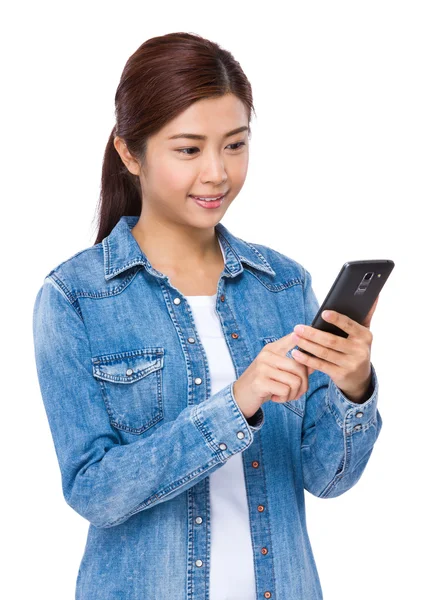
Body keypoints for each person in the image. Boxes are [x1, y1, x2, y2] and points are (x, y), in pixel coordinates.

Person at [32, 32, 383, 600]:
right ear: (129, 152)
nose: (217, 173)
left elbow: (329, 479)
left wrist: (354, 385)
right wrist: (234, 407)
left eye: (235, 145)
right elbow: (94, 490)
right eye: (189, 149)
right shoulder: (75, 298)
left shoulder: (283, 284)